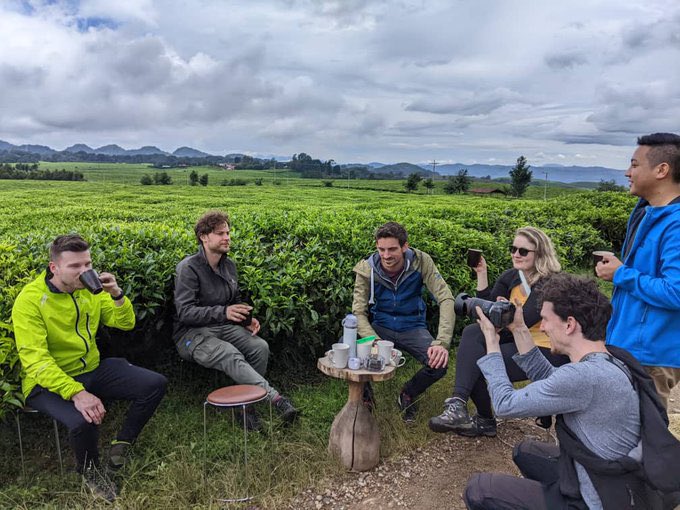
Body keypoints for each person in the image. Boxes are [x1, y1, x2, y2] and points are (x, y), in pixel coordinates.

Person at [464, 273, 680, 510]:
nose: (543, 327)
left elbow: (505, 404)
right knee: (524, 451)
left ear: (569, 324)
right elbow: (551, 380)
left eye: (545, 320)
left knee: (480, 490)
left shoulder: (583, 377)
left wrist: (491, 343)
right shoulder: (613, 358)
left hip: (600, 499)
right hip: (615, 480)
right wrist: (518, 328)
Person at [11, 234, 167, 502]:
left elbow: (125, 323)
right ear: (54, 268)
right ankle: (91, 470)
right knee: (82, 421)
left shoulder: (89, 291)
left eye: (88, 264)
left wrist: (117, 295)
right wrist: (76, 393)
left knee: (154, 384)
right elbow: (35, 360)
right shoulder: (30, 301)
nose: (84, 272)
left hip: (91, 368)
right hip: (44, 382)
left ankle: (122, 445)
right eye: (75, 266)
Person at [429, 226, 567, 437]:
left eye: (523, 251)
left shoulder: (550, 283)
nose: (515, 254)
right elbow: (484, 312)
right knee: (472, 333)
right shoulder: (511, 276)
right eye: (513, 249)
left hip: (544, 350)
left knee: (474, 359)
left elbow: (525, 320)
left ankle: (483, 419)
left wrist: (500, 316)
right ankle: (459, 404)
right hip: (516, 339)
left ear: (540, 253)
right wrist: (482, 275)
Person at [173, 210, 298, 428]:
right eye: (220, 233)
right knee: (229, 353)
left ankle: (245, 408)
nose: (227, 237)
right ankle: (276, 400)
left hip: (223, 327)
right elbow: (185, 313)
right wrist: (224, 312)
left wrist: (245, 320)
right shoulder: (188, 268)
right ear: (204, 236)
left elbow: (234, 301)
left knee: (260, 347)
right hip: (191, 335)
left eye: (228, 232)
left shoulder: (228, 266)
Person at [597, 132, 680, 409]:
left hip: (650, 354)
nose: (627, 172)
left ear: (662, 170)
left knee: (643, 440)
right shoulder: (649, 212)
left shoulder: (676, 225)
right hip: (631, 345)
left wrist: (621, 274)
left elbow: (676, 292)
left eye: (634, 164)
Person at [352, 221, 454, 423]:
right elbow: (358, 312)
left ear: (405, 246)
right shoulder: (367, 268)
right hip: (381, 326)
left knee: (439, 364)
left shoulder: (421, 261)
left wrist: (441, 342)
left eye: (392, 249)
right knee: (349, 345)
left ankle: (407, 393)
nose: (386, 255)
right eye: (381, 249)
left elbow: (446, 298)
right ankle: (365, 397)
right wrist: (373, 340)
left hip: (412, 326)